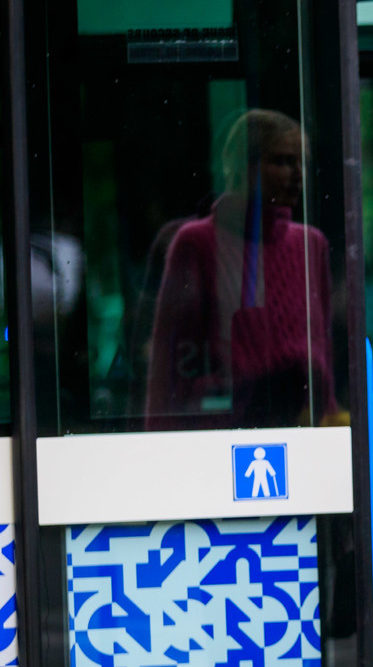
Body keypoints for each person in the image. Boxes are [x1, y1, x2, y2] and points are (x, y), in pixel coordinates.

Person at [144, 108, 336, 430]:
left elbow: (324, 350)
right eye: (283, 161)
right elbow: (168, 361)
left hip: (303, 431)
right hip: (218, 429)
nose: (297, 173)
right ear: (243, 167)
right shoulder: (196, 242)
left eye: (301, 162)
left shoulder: (311, 245)